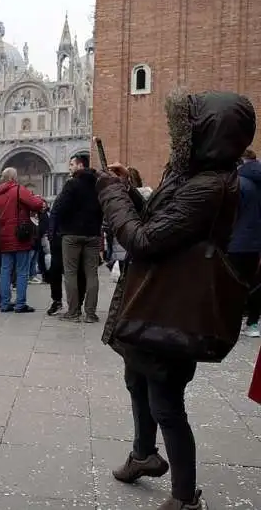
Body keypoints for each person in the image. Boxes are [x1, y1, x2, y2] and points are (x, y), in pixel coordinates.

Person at [99, 90, 255, 510]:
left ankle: (185, 499)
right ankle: (143, 455)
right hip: (154, 300)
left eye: (187, 129)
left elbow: (145, 240)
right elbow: (158, 219)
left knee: (166, 402)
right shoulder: (193, 176)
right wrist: (128, 190)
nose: (177, 138)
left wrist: (111, 197)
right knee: (137, 379)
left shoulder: (210, 186)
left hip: (173, 306)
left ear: (209, 135)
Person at [52, 155, 104, 323]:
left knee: (71, 273)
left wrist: (60, 225)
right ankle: (90, 313)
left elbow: (59, 207)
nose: (69, 168)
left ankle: (73, 312)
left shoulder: (72, 184)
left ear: (80, 165)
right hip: (93, 234)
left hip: (72, 234)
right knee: (92, 273)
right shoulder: (98, 185)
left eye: (72, 164)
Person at [0, 167, 45, 313]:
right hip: (20, 236)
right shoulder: (18, 190)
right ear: (13, 178)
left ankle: (4, 303)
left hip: (4, 236)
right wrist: (39, 199)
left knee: (5, 270)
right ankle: (20, 304)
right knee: (22, 271)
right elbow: (36, 204)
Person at [227, 149, 261, 338]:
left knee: (233, 283)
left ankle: (232, 322)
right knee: (254, 283)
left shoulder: (239, 183)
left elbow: (231, 215)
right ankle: (253, 322)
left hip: (237, 242)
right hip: (256, 243)